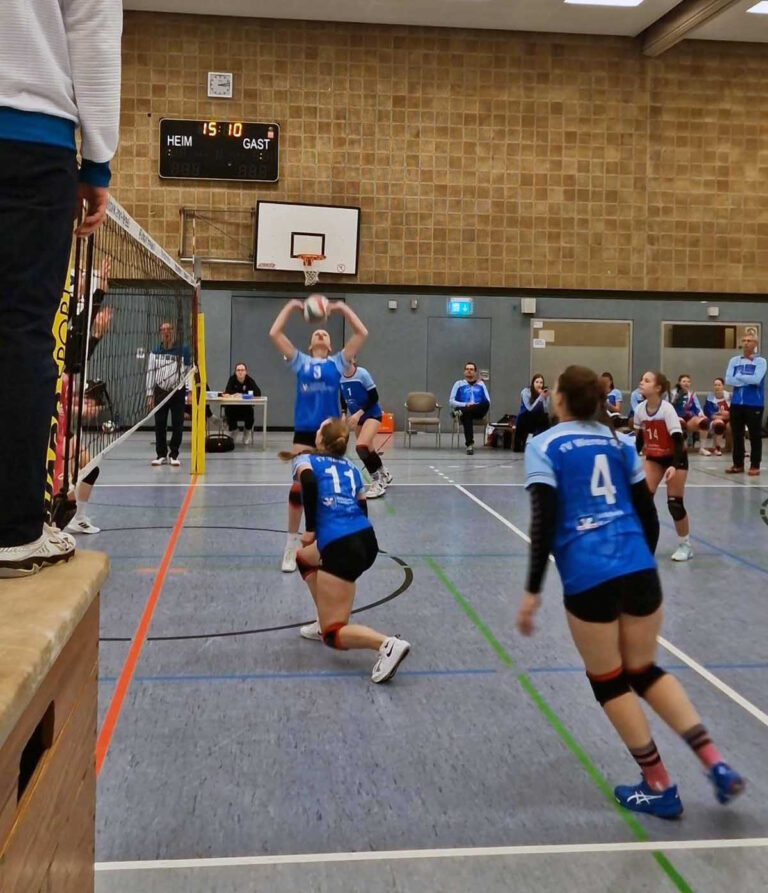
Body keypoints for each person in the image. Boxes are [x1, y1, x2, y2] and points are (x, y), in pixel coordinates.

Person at [516, 365, 743, 819]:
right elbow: (645, 511)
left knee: (609, 680)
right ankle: (714, 762)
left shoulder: (543, 445)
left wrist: (532, 591)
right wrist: (638, 558)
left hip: (588, 572)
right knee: (645, 669)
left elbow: (543, 523)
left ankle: (658, 783)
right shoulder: (620, 442)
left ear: (559, 400)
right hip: (638, 567)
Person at [0, 0, 122, 577]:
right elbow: (94, 31)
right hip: (29, 138)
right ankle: (12, 532)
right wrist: (96, 164)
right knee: (22, 332)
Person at [288, 418, 410, 683]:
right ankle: (323, 617)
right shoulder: (352, 468)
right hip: (366, 539)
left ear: (320, 440)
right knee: (304, 559)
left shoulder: (304, 459)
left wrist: (311, 530)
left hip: (341, 545)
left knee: (333, 634)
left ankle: (386, 645)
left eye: (318, 430)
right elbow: (362, 505)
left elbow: (307, 482)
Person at [269, 298, 368, 572]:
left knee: (328, 490)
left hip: (330, 434)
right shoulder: (299, 361)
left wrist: (342, 309)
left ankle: (325, 542)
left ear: (331, 345)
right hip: (304, 432)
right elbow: (274, 333)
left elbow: (362, 334)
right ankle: (291, 545)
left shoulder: (338, 362)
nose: (321, 334)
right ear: (311, 345)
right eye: (316, 333)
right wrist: (290, 306)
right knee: (299, 488)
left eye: (325, 332)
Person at [633, 371, 693, 562]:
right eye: (641, 379)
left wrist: (674, 466)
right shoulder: (640, 410)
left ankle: (685, 545)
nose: (641, 382)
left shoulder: (666, 410)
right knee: (643, 500)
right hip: (654, 457)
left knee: (674, 504)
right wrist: (632, 459)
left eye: (647, 380)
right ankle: (643, 542)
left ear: (658, 388)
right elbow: (640, 439)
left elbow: (677, 440)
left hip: (675, 458)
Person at [340, 358, 392, 498]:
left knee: (361, 446)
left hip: (372, 414)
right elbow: (342, 396)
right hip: (358, 417)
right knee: (368, 448)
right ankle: (384, 473)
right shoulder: (340, 377)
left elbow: (374, 397)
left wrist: (358, 414)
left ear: (353, 359)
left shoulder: (362, 374)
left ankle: (377, 482)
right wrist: (344, 414)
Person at [146, 321, 192, 467]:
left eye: (168, 329)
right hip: (160, 391)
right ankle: (161, 455)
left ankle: (174, 454)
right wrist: (149, 394)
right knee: (160, 424)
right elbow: (150, 373)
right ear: (160, 333)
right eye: (163, 330)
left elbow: (188, 372)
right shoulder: (155, 352)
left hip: (177, 391)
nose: (166, 332)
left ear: (172, 332)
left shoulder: (183, 350)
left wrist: (189, 391)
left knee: (178, 424)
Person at [725, 333, 766, 476]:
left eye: (749, 340)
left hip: (754, 404)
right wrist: (746, 379)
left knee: (755, 435)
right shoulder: (734, 361)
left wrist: (739, 377)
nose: (746, 343)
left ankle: (755, 465)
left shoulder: (760, 362)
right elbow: (729, 380)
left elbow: (756, 380)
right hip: (736, 403)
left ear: (755, 344)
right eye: (744, 340)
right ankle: (738, 464)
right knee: (737, 435)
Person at [449, 362, 491, 455]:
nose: (469, 371)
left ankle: (458, 412)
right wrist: (465, 405)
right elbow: (451, 401)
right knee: (467, 414)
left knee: (485, 403)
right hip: (465, 410)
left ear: (475, 372)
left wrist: (473, 406)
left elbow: (488, 401)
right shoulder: (458, 384)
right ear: (464, 371)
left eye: (471, 369)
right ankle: (469, 445)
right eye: (467, 369)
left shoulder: (481, 384)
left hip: (478, 411)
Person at [222, 362, 261, 445]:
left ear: (246, 372)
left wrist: (242, 395)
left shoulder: (250, 380)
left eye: (242, 370)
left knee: (250, 413)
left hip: (245, 408)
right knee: (228, 410)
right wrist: (233, 395)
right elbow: (228, 391)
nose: (240, 372)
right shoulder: (232, 379)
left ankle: (247, 432)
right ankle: (234, 430)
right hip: (234, 408)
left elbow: (258, 393)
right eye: (238, 370)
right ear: (235, 372)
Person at [671, 374, 709, 453]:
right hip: (676, 418)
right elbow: (667, 407)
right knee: (680, 423)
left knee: (704, 422)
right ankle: (679, 447)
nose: (686, 383)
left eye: (688, 382)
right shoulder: (672, 394)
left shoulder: (692, 394)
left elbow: (698, 408)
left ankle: (702, 448)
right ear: (679, 383)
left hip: (689, 419)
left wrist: (701, 414)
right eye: (684, 381)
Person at [513, 374, 550, 452]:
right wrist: (540, 398)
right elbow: (530, 409)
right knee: (523, 417)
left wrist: (544, 397)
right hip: (526, 417)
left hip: (538, 418)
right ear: (533, 383)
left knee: (546, 417)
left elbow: (546, 409)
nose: (539, 385)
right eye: (537, 382)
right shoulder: (526, 392)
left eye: (541, 382)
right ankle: (519, 444)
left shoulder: (544, 392)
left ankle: (544, 443)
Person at [703, 377, 731, 458]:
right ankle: (717, 448)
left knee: (735, 425)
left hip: (729, 419)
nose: (717, 387)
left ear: (723, 386)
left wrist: (727, 415)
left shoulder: (729, 396)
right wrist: (722, 416)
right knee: (719, 424)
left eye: (719, 385)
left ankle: (739, 449)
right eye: (715, 385)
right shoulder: (710, 398)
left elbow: (733, 412)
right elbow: (710, 414)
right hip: (716, 420)